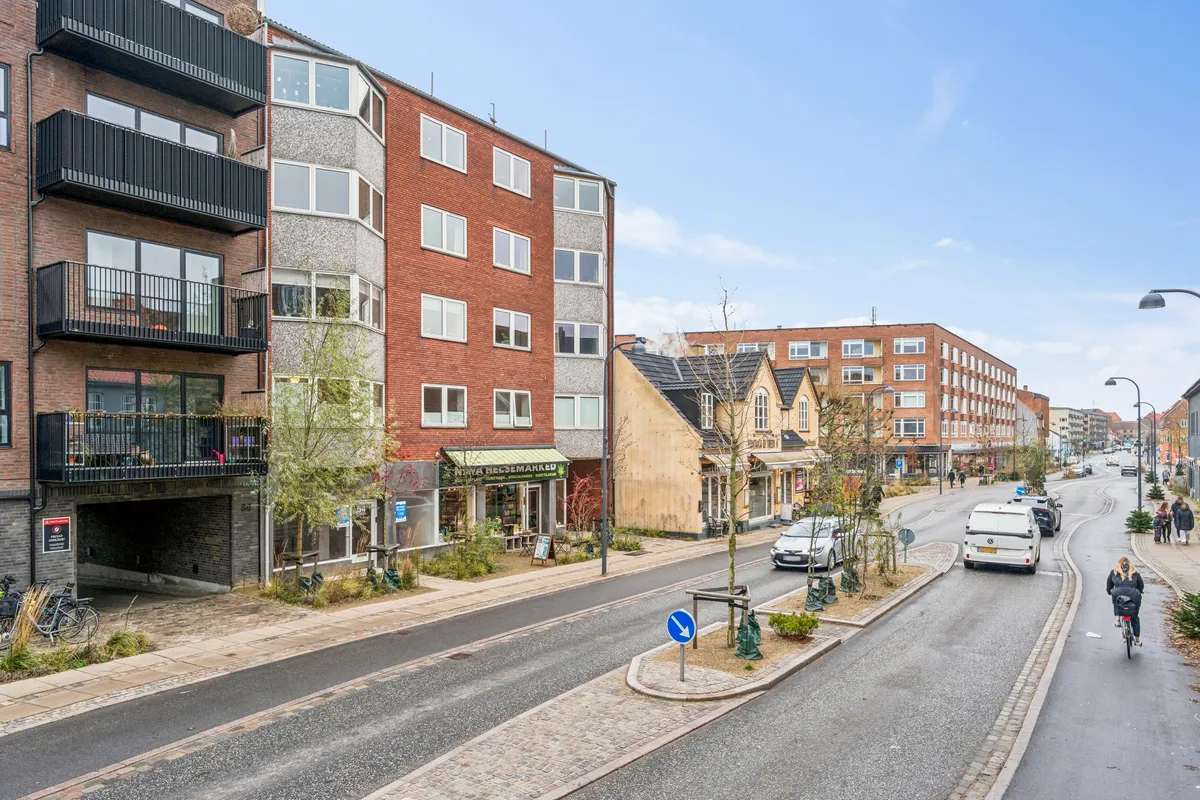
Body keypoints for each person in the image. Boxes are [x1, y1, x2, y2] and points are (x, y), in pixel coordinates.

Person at [1106, 556, 1144, 646]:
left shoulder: (1114, 572)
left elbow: (1109, 585)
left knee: (1116, 600)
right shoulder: (1135, 573)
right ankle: (1137, 640)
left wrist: (1109, 591)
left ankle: (1117, 619)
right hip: (1133, 594)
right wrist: (1140, 591)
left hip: (1118, 593)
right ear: (1129, 564)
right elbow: (1141, 585)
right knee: (1134, 616)